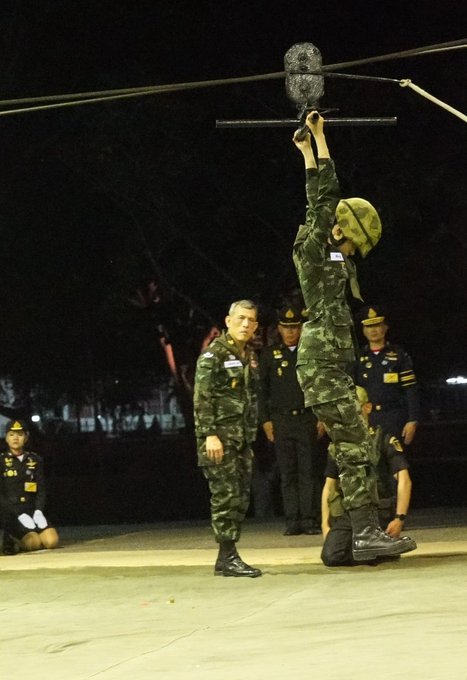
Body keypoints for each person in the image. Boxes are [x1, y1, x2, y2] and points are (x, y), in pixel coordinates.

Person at [291, 111, 416, 561]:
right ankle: (364, 532)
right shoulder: (315, 250)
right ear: (338, 232)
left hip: (329, 365)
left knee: (352, 444)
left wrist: (307, 151)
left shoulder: (334, 258)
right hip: (321, 365)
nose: (352, 256)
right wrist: (320, 142)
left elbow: (325, 204)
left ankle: (358, 535)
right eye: (351, 246)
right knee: (356, 443)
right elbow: (324, 201)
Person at [193, 300, 262, 577]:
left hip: (241, 439)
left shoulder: (250, 356)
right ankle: (228, 555)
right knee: (225, 497)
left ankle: (226, 557)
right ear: (228, 320)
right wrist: (210, 434)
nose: (246, 324)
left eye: (251, 320)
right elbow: (202, 397)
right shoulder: (214, 356)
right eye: (241, 318)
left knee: (240, 497)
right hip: (219, 439)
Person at [321, 386, 412, 566]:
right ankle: (378, 553)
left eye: (354, 406)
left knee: (357, 549)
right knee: (331, 556)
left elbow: (404, 480)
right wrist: (325, 525)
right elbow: (329, 486)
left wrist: (399, 519)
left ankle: (379, 548)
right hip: (351, 511)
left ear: (367, 408)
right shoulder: (340, 444)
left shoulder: (383, 439)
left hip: (378, 509)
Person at [259, 306, 322, 535]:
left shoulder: (310, 353)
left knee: (308, 472)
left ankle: (309, 520)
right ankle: (292, 520)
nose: (290, 332)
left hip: (306, 418)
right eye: (286, 327)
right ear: (279, 328)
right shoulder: (268, 355)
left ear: (301, 328)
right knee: (287, 474)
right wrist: (265, 421)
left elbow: (320, 388)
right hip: (281, 421)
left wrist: (322, 417)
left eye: (294, 327)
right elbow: (261, 392)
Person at [355, 305, 420, 445]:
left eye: (377, 325)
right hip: (368, 419)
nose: (373, 330)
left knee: (397, 463)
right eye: (369, 326)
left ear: (385, 327)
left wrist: (412, 420)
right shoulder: (358, 358)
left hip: (395, 418)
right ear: (363, 330)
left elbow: (411, 389)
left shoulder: (398, 354)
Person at [0, 420, 59, 554]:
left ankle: (30, 535)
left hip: (32, 510)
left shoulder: (34, 459)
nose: (16, 438)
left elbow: (41, 489)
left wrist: (39, 511)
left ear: (26, 437)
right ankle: (11, 538)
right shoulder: (1, 461)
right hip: (13, 513)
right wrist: (16, 514)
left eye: (20, 434)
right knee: (34, 543)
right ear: (6, 438)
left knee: (51, 541)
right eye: (12, 434)